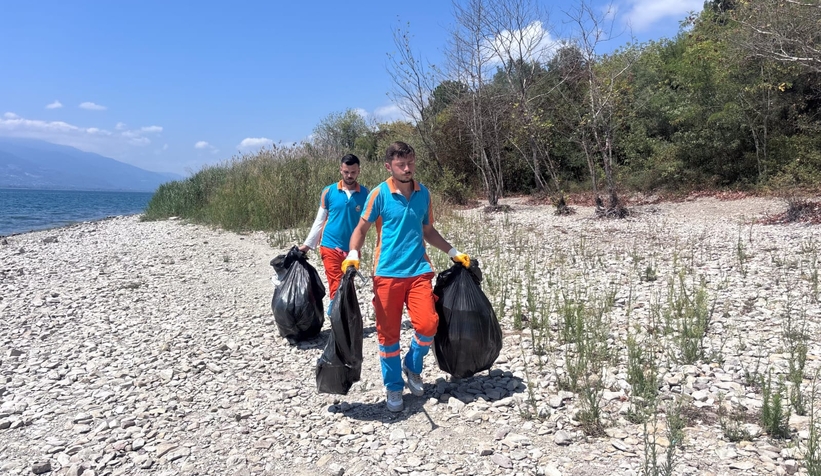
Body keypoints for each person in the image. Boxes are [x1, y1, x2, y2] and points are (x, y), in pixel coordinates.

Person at [341, 141, 470, 412]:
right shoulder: (379, 194)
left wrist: (452, 251)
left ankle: (412, 366)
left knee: (427, 326)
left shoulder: (424, 193)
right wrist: (353, 253)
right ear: (389, 167)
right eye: (401, 165)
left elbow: (428, 230)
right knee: (388, 336)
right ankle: (393, 386)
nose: (407, 168)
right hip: (387, 274)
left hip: (418, 271)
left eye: (410, 163)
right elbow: (361, 229)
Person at [298, 154, 369, 315]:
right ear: (340, 170)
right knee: (336, 283)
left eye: (353, 172)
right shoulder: (329, 192)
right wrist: (307, 246)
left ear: (359, 171)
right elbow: (319, 220)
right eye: (346, 172)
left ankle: (344, 318)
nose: (349, 176)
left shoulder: (366, 194)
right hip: (330, 246)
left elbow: (372, 221)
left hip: (353, 249)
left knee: (348, 283)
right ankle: (336, 318)